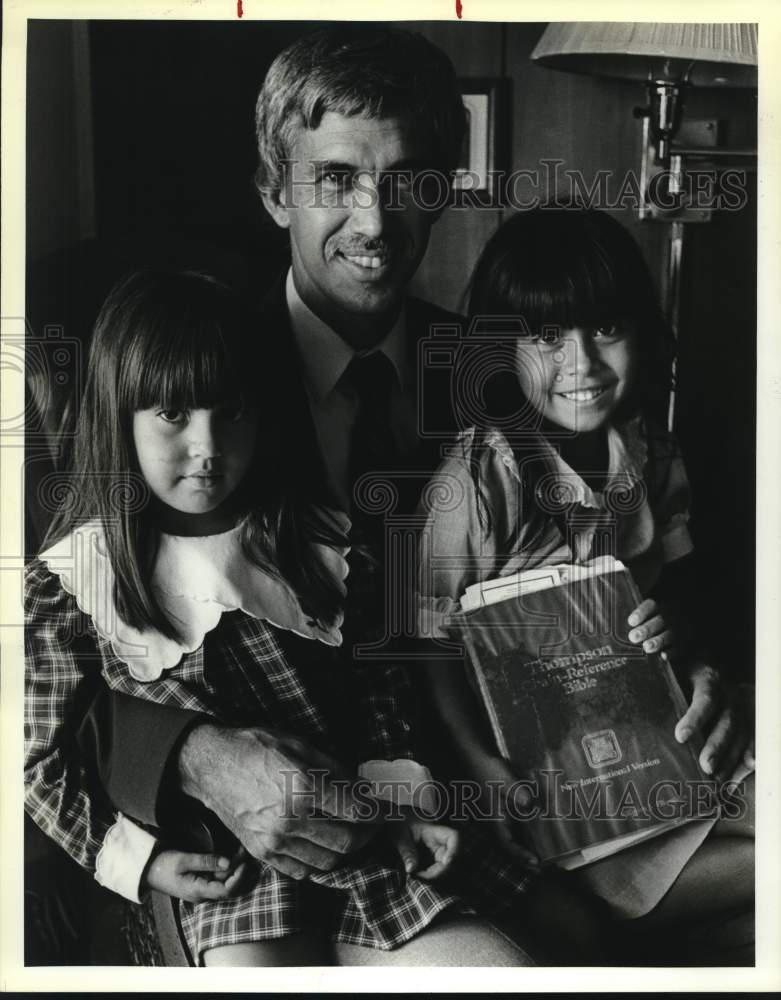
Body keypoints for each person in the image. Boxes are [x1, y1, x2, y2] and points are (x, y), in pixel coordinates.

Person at [25, 267, 544, 968]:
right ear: (120, 414)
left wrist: (405, 799)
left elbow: (378, 686)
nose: (207, 448)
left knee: (499, 968)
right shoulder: (74, 579)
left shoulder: (307, 538)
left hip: (363, 840)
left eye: (231, 412)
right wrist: (138, 862)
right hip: (230, 879)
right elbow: (38, 758)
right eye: (172, 415)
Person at [415, 206, 755, 960]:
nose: (582, 366)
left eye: (604, 329)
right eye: (545, 337)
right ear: (501, 350)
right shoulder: (474, 482)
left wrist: (679, 638)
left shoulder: (649, 451)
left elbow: (674, 593)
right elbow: (428, 648)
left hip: (658, 740)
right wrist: (480, 768)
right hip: (558, 793)